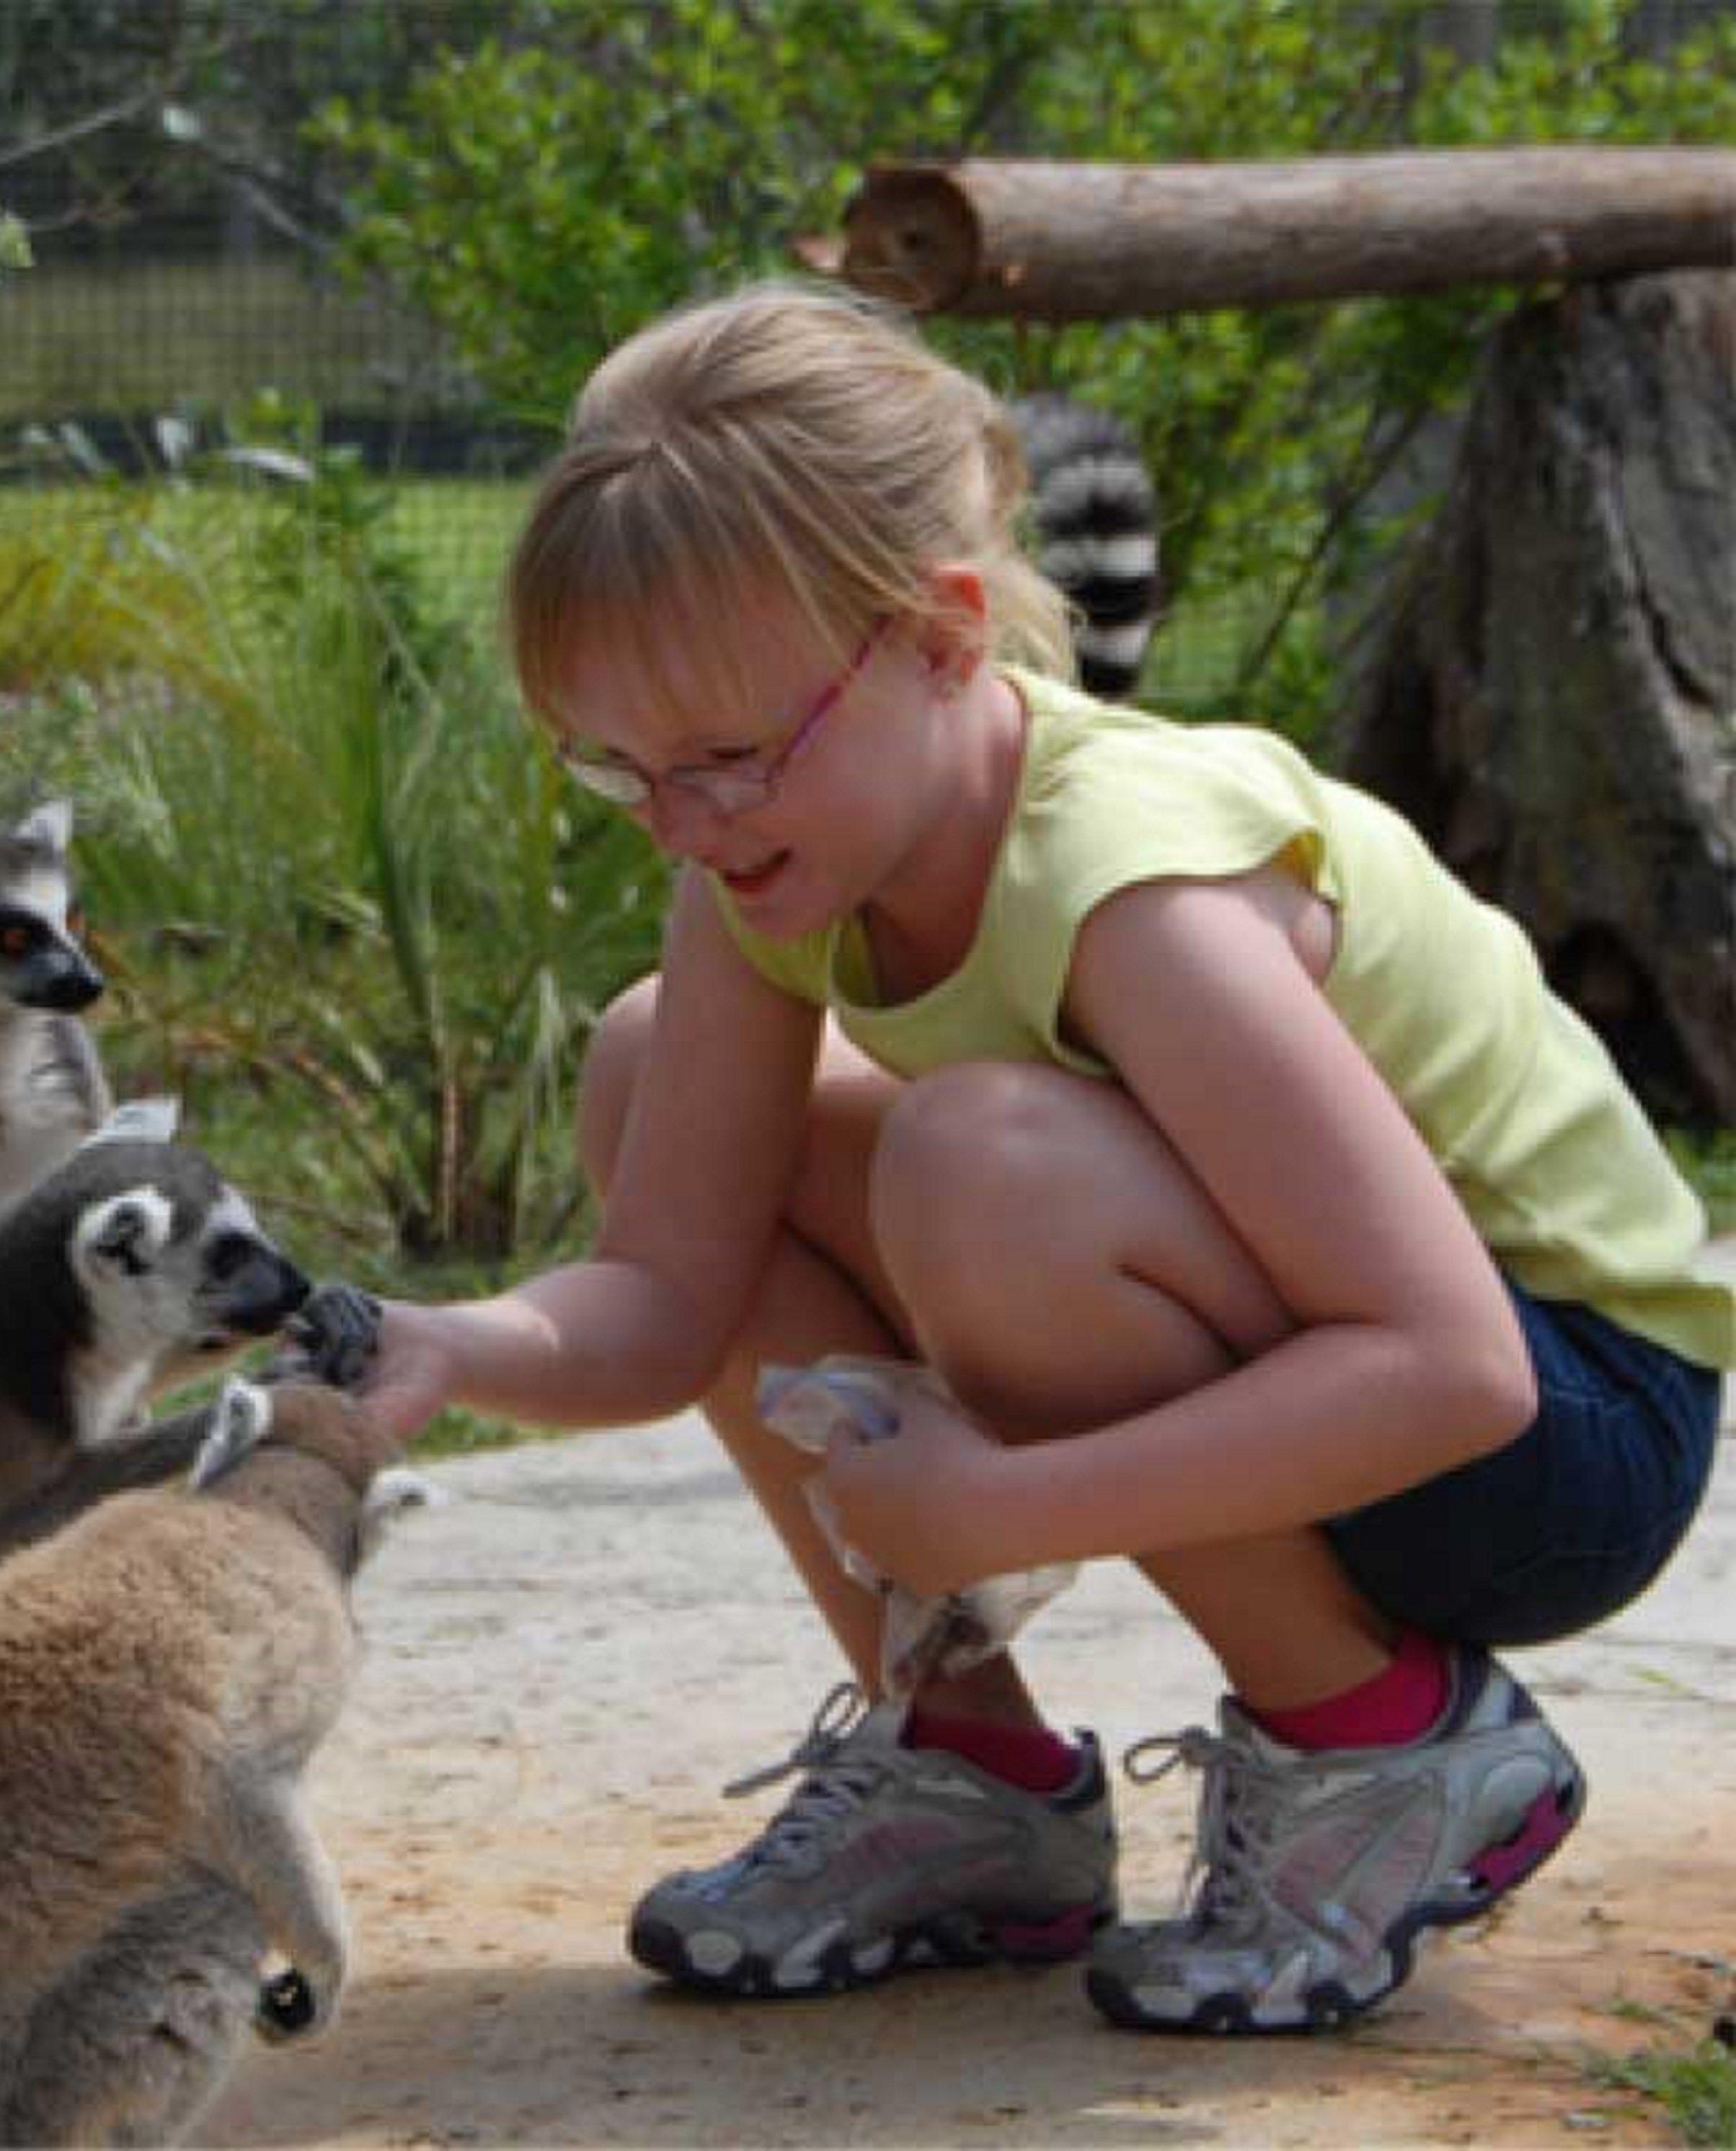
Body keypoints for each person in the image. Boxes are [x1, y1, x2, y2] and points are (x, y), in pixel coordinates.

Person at [348, 279, 1734, 2034]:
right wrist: (447, 1346)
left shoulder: (1138, 887)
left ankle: (1383, 1752)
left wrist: (998, 1505)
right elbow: (658, 1300)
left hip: (1567, 1428)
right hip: (1387, 1377)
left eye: (725, 756)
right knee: (650, 1070)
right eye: (624, 771)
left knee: (984, 1165)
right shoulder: (760, 869)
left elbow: (1455, 1372)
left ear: (937, 639)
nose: (684, 823)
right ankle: (972, 1774)